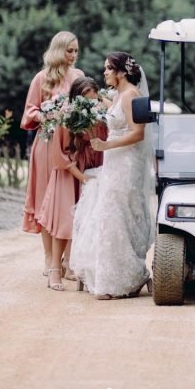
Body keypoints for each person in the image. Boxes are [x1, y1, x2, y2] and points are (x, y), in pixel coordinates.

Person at [69, 52, 155, 300]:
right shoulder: (118, 95)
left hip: (127, 163)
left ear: (121, 72)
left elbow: (138, 133)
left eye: (108, 68)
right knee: (112, 216)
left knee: (119, 214)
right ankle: (115, 277)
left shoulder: (131, 96)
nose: (104, 72)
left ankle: (125, 278)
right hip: (115, 161)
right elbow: (115, 114)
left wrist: (107, 145)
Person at [21, 31, 84, 289]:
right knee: (48, 201)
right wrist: (44, 115)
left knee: (72, 201)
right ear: (58, 50)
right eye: (69, 51)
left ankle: (69, 261)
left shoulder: (79, 77)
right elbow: (29, 111)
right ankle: (50, 258)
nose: (73, 56)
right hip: (47, 145)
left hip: (72, 146)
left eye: (76, 51)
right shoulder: (42, 78)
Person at [36, 75, 104, 288]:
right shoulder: (66, 117)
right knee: (64, 222)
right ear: (77, 98)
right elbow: (59, 155)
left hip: (87, 169)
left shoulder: (98, 117)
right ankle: (55, 269)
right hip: (68, 173)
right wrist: (82, 177)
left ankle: (72, 265)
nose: (91, 105)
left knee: (81, 222)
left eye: (94, 101)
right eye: (87, 101)